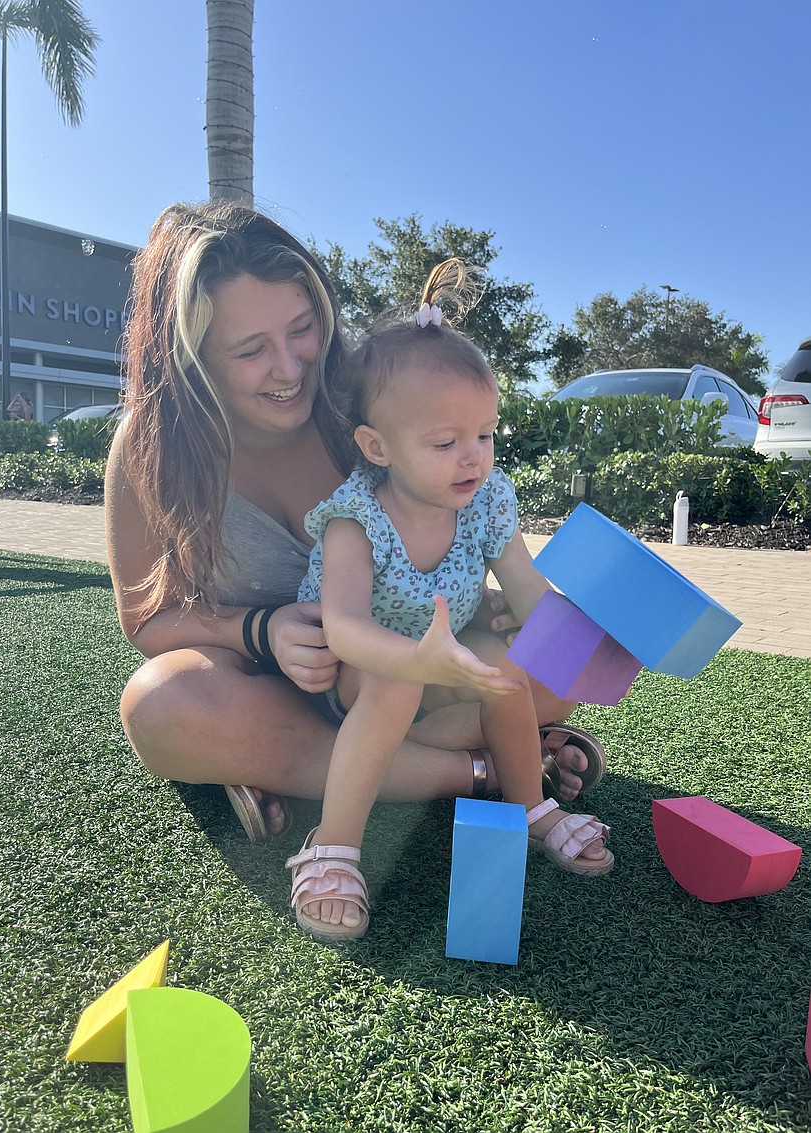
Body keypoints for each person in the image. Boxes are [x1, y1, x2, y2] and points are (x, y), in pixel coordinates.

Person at [105, 200, 607, 867]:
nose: (291, 368)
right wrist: (261, 630)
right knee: (161, 706)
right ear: (191, 356)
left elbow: (462, 537)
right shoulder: (152, 444)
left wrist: (503, 609)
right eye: (251, 350)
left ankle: (280, 766)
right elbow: (147, 621)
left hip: (401, 674)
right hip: (264, 689)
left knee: (562, 667)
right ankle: (486, 771)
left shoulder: (367, 399)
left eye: (302, 330)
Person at [287, 260, 613, 940]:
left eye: (485, 434)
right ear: (378, 446)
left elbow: (524, 586)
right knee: (395, 682)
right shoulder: (355, 518)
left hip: (449, 658)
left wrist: (588, 651)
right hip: (359, 674)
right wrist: (416, 659)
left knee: (508, 669)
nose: (474, 457)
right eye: (445, 442)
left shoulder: (486, 501)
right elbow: (342, 628)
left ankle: (533, 808)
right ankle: (333, 844)